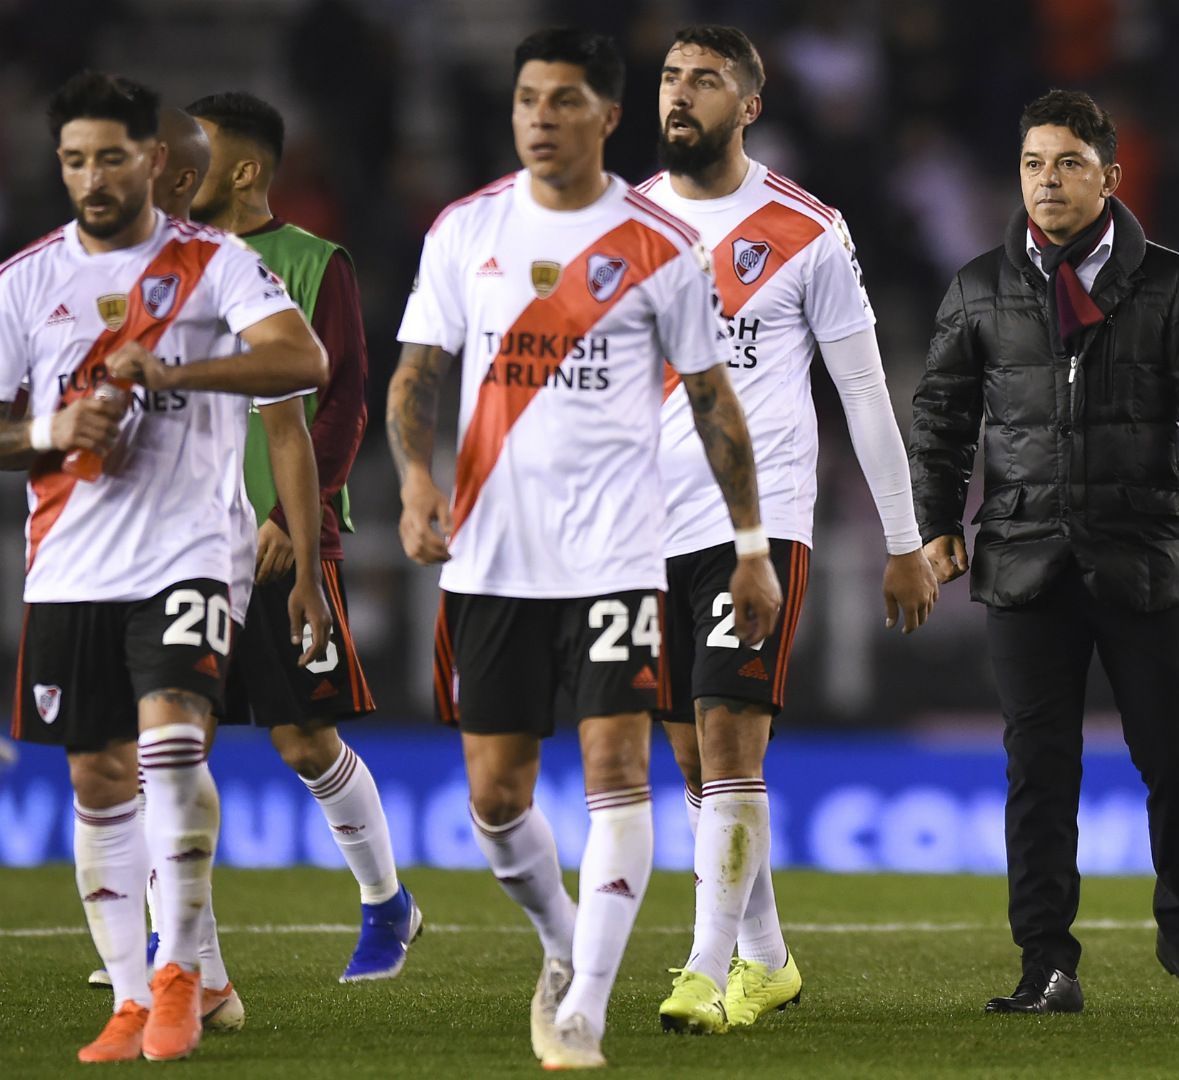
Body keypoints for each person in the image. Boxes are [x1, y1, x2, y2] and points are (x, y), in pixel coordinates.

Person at [387, 27, 778, 1069]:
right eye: (526, 100)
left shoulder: (659, 246)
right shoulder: (464, 232)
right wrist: (417, 479)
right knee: (496, 796)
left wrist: (751, 545)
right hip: (492, 559)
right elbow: (418, 372)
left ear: (607, 117)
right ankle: (561, 945)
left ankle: (586, 1008)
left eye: (564, 101)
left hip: (615, 554)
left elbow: (713, 404)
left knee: (617, 767)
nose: (540, 119)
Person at [910, 88, 1179, 1015]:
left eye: (1068, 163)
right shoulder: (980, 284)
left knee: (1174, 765)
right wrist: (936, 519)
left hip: (1145, 558)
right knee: (1038, 774)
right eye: (1033, 164)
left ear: (1110, 175)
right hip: (1025, 559)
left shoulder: (1173, 282)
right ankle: (1045, 965)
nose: (1048, 181)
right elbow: (941, 416)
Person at [1, 71, 326, 1063]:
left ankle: (183, 970)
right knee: (98, 777)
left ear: (152, 159)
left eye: (109, 156)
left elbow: (300, 361)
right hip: (67, 564)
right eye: (73, 160)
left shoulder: (215, 262)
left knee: (171, 748)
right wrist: (56, 427)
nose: (91, 177)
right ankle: (134, 996)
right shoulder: (23, 282)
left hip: (186, 554)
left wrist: (176, 373)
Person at [634, 23, 938, 1034]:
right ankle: (767, 958)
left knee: (729, 737)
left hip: (757, 528)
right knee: (687, 756)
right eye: (673, 77)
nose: (681, 94)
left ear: (749, 106)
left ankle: (704, 975)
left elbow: (862, 391)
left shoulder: (807, 228)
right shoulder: (624, 224)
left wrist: (902, 539)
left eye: (706, 81)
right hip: (644, 527)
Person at [185, 89, 419, 983]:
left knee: (302, 741)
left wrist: (296, 512)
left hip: (288, 537)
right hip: (187, 543)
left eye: (193, 151)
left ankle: (386, 904)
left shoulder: (315, 262)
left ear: (243, 169)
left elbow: (348, 398)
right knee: (176, 740)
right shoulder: (164, 267)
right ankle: (177, 945)